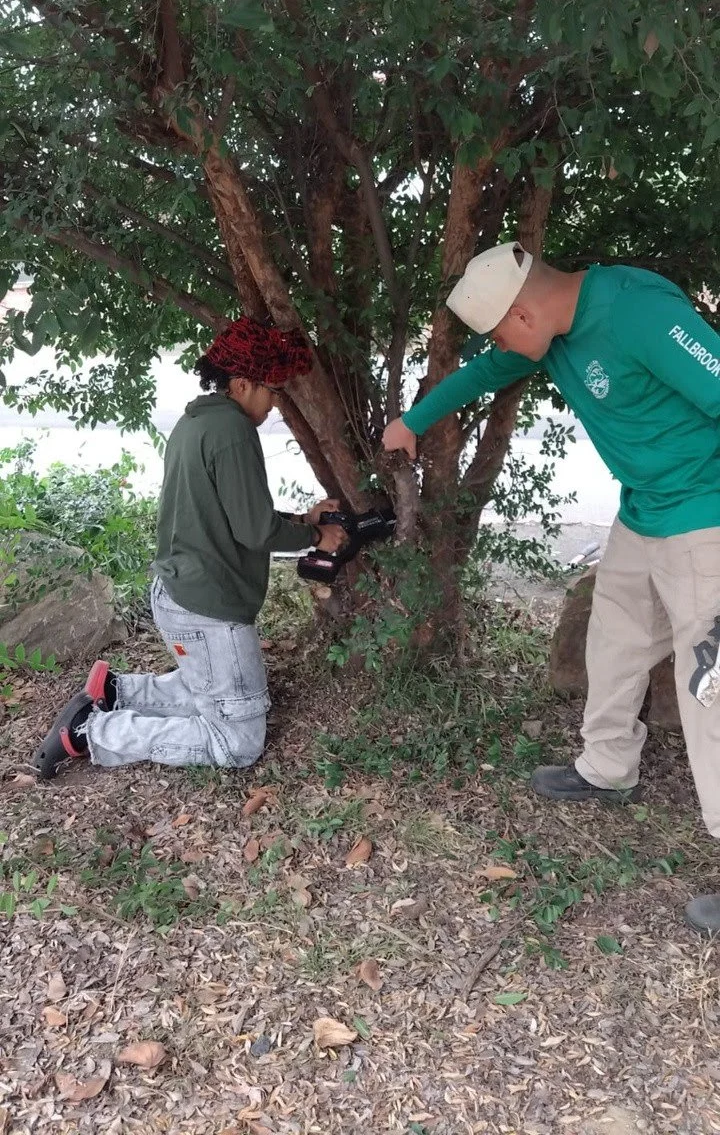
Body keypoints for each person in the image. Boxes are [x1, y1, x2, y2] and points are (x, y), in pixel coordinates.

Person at [383, 240, 720, 936]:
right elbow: (483, 372)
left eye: (503, 330)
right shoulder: (549, 334)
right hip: (643, 511)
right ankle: (606, 767)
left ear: (525, 313)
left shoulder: (637, 313)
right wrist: (413, 422)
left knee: (709, 688)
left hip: (704, 516)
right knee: (615, 639)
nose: (502, 344)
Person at [34, 316, 347, 778]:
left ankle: (117, 691)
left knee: (221, 691)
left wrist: (302, 519)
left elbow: (229, 513)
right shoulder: (233, 431)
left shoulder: (197, 421)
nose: (275, 404)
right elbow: (256, 531)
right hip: (208, 607)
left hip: (183, 592)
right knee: (238, 742)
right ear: (243, 383)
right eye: (272, 390)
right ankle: (91, 734)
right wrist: (317, 537)